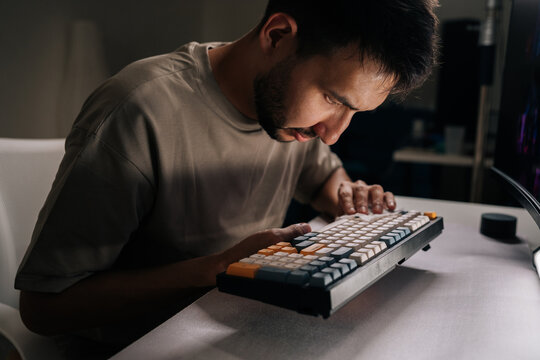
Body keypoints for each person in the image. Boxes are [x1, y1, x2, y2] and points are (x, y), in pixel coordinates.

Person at [15, 0, 439, 358]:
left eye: (355, 113)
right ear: (276, 35)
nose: (332, 132)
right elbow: (44, 307)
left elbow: (323, 177)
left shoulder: (291, 115)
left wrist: (348, 196)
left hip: (242, 329)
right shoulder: (139, 109)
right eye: (332, 99)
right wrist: (218, 269)